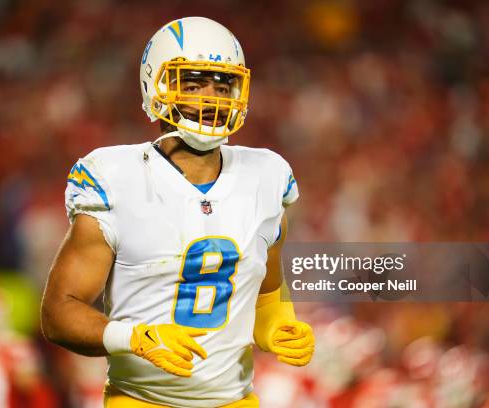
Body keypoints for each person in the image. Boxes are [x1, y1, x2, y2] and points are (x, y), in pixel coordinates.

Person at [41, 16, 314, 408]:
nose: (212, 97)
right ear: (157, 86)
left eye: (223, 85)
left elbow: (267, 293)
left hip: (237, 402)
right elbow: (59, 312)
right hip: (140, 400)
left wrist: (277, 326)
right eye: (194, 82)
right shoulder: (116, 177)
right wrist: (132, 337)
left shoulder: (267, 176)